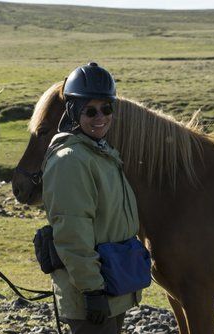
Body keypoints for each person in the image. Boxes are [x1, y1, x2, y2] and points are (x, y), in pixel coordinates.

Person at [41, 62, 144, 334]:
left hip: (112, 287)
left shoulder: (101, 153)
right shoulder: (71, 161)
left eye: (106, 108)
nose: (100, 117)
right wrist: (92, 291)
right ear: (73, 112)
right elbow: (72, 231)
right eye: (90, 111)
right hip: (91, 295)